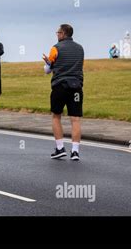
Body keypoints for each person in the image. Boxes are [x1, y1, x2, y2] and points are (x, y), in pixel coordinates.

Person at [43, 24, 84, 161]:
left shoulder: (56, 48)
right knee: (75, 119)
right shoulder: (80, 48)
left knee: (56, 116)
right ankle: (75, 151)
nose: (57, 34)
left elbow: (47, 70)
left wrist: (48, 63)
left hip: (60, 86)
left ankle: (60, 148)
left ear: (64, 33)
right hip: (76, 87)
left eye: (58, 32)